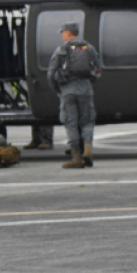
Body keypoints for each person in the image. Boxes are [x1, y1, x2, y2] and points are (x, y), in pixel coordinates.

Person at [46, 22, 101, 169]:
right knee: (87, 121)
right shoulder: (88, 48)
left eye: (63, 33)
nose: (63, 35)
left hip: (68, 91)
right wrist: (89, 84)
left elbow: (50, 74)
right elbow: (97, 68)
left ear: (68, 34)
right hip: (86, 90)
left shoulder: (61, 50)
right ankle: (88, 149)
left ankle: (76, 157)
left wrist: (57, 89)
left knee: (71, 123)